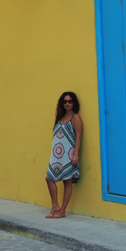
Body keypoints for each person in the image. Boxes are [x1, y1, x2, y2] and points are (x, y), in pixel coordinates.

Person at [45, 91, 83, 219]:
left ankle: (62, 211)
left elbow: (78, 136)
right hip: (57, 155)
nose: (67, 103)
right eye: (65, 101)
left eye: (70, 101)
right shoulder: (60, 118)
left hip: (68, 155)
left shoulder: (75, 118)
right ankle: (55, 205)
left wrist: (75, 155)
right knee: (49, 178)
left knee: (67, 182)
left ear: (74, 103)